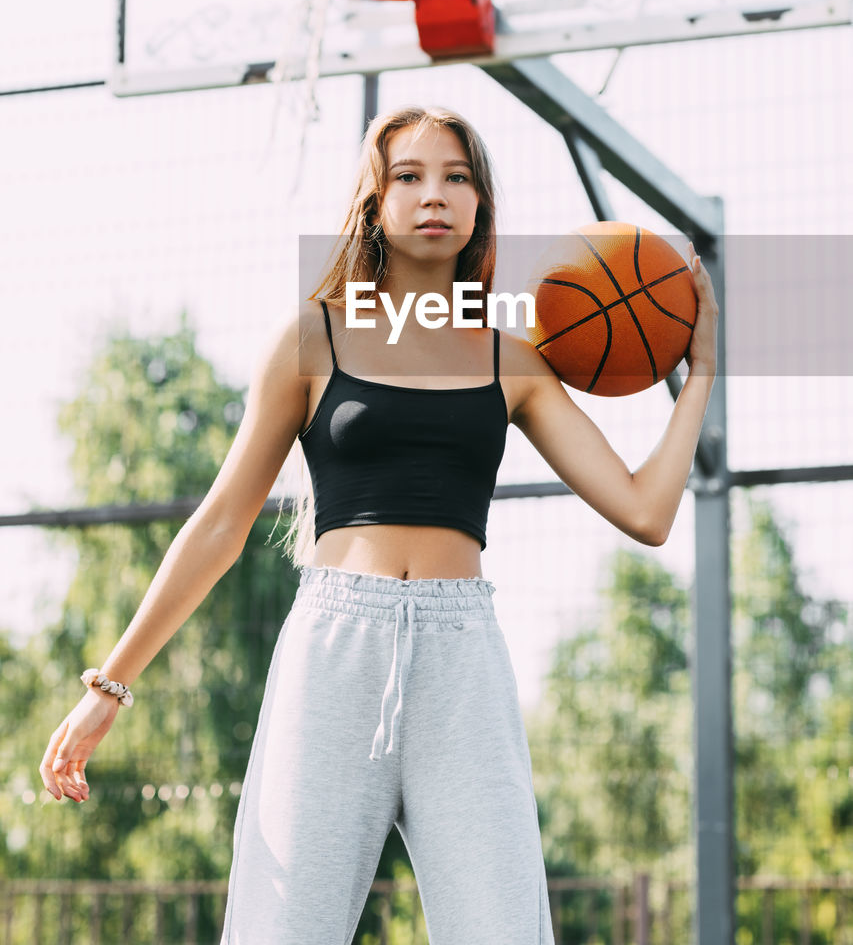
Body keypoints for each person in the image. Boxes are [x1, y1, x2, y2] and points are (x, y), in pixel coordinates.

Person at [39, 104, 719, 945]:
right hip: (334, 650)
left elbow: (645, 512)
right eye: (409, 176)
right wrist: (108, 686)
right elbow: (218, 525)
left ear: (479, 208)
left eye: (456, 177)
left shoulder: (512, 360)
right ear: (375, 203)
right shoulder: (312, 340)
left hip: (462, 658)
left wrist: (699, 378)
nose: (434, 194)